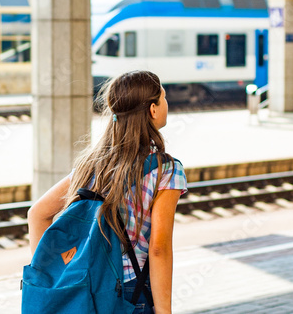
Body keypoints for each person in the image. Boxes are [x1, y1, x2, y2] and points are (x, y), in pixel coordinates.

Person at [27, 70, 187, 314]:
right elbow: (158, 248)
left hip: (87, 287)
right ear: (153, 110)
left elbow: (37, 214)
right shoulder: (166, 169)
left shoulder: (92, 164)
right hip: (130, 294)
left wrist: (51, 274)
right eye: (163, 98)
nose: (166, 103)